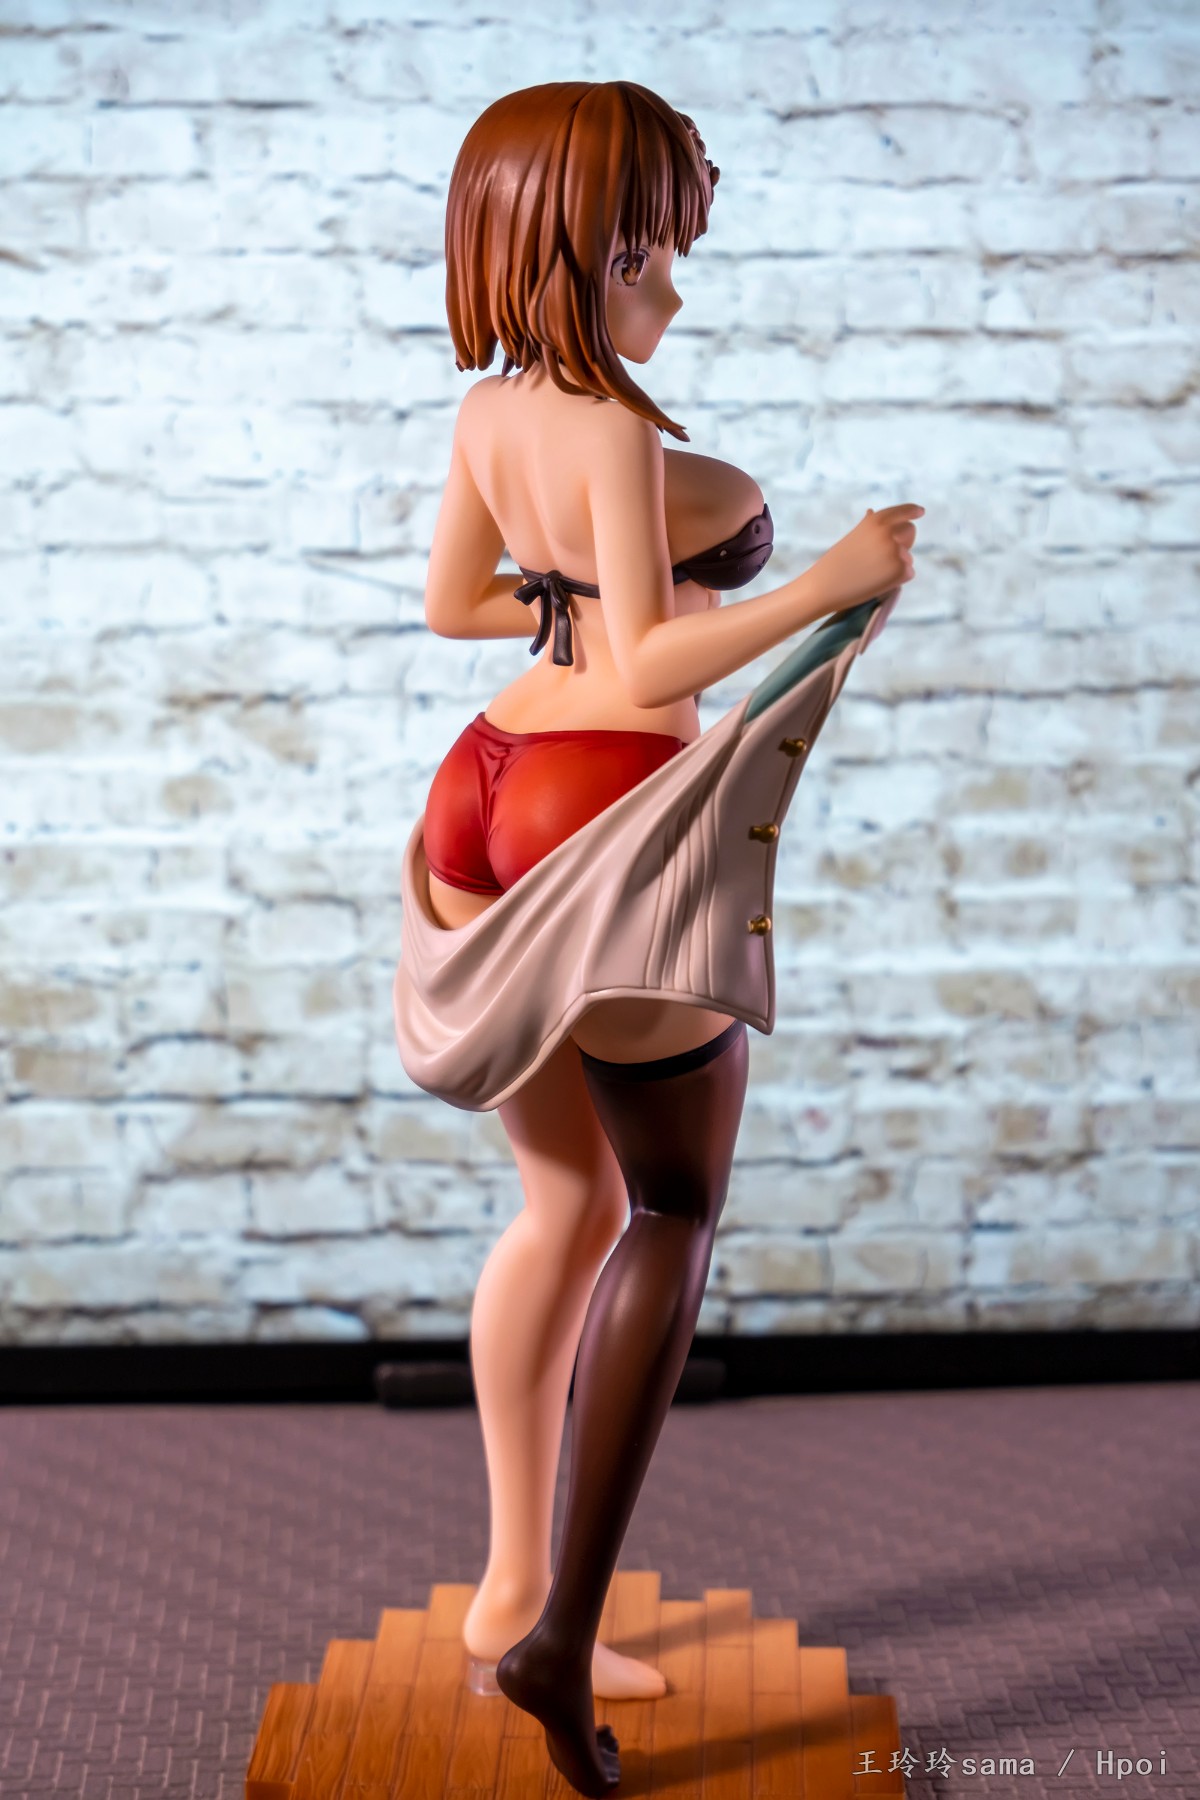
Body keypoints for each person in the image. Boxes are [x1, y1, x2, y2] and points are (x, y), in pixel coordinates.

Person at [392, 79, 922, 1796]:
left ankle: (508, 1590)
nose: (671, 293)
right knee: (673, 1208)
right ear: (566, 255)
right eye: (642, 259)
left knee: (564, 1202)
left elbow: (454, 606)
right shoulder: (614, 435)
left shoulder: (490, 412)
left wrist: (569, 600)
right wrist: (824, 578)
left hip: (480, 790)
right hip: (596, 809)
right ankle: (553, 1640)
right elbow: (646, 666)